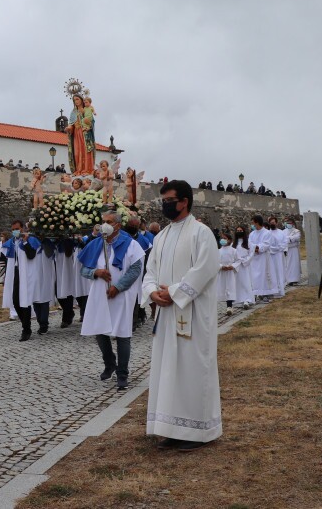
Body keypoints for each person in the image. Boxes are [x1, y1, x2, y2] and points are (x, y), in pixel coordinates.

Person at [140, 180, 222, 451]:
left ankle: (196, 432)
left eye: (169, 200)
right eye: (162, 200)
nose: (165, 205)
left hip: (192, 315)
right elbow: (149, 271)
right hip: (166, 315)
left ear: (184, 201)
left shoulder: (201, 233)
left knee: (192, 368)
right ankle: (171, 428)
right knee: (168, 370)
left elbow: (205, 269)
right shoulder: (160, 236)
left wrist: (174, 292)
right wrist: (153, 293)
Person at [79, 210, 145, 391]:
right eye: (103, 221)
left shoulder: (131, 245)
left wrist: (119, 287)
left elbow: (135, 269)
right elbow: (84, 270)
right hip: (100, 294)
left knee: (123, 334)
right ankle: (109, 362)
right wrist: (96, 272)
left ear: (118, 225)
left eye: (109, 221)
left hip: (122, 295)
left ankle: (122, 373)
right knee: (100, 329)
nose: (104, 225)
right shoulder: (95, 245)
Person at [1, 220, 40, 341]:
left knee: (25, 301)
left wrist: (25, 241)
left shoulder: (30, 240)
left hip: (26, 274)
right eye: (12, 229)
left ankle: (26, 329)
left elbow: (31, 255)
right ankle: (25, 324)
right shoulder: (11, 242)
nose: (15, 231)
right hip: (15, 272)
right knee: (15, 300)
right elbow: (5, 257)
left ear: (23, 228)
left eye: (17, 229)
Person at [217, 231, 238, 316]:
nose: (223, 240)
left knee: (230, 288)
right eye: (222, 238)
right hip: (222, 272)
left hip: (230, 273)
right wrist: (221, 266)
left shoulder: (233, 251)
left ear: (229, 240)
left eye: (225, 238)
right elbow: (215, 261)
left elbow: (238, 260)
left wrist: (232, 266)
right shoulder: (218, 251)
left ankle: (229, 306)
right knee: (222, 288)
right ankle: (223, 306)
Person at [232, 226, 254, 307]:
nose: (239, 231)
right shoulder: (233, 244)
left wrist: (244, 261)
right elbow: (232, 254)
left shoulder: (248, 243)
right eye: (237, 230)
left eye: (241, 230)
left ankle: (247, 299)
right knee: (237, 283)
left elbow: (251, 254)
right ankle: (238, 299)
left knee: (246, 282)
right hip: (236, 266)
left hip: (245, 266)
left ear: (243, 231)